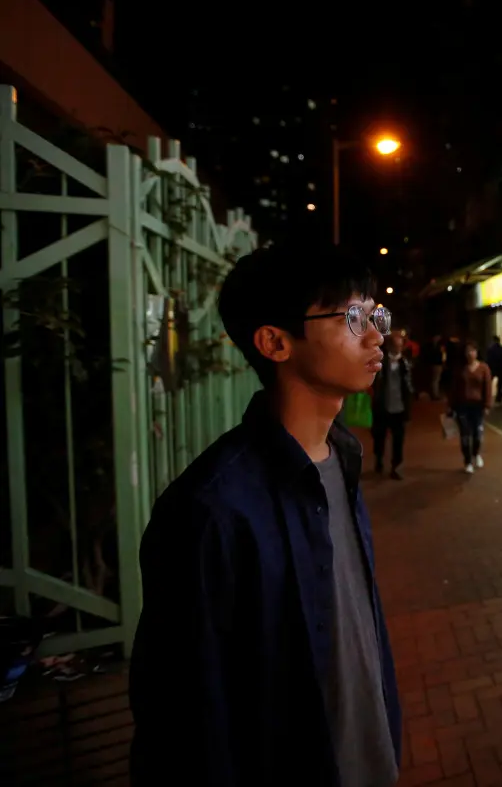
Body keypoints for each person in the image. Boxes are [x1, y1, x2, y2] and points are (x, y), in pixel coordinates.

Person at [128, 243, 401, 787]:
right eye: (352, 317)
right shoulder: (210, 508)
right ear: (275, 342)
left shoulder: (343, 458)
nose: (376, 334)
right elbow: (183, 720)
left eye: (376, 315)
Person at [372, 330, 413, 479]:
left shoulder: (405, 363)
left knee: (398, 439)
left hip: (399, 407)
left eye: (400, 346)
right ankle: (379, 459)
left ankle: (396, 466)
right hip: (382, 406)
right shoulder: (381, 362)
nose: (398, 349)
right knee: (379, 437)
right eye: (395, 346)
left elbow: (409, 386)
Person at [448, 341, 492, 474]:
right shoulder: (460, 369)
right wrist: (450, 406)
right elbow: (454, 388)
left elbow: (488, 388)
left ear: (477, 352)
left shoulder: (484, 368)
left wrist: (487, 405)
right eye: (467, 351)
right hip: (462, 405)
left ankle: (476, 454)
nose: (470, 353)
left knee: (477, 434)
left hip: (477, 406)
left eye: (472, 350)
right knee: (465, 435)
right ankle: (467, 461)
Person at [486, 335, 502, 403]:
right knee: (500, 383)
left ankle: (488, 396)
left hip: (493, 368)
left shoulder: (490, 349)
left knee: (489, 382)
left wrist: (488, 367)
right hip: (501, 368)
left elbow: (488, 360)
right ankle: (499, 397)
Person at [428, 335, 445, 400]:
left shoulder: (434, 346)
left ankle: (434, 393)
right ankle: (435, 394)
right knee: (436, 380)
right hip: (437, 364)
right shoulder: (437, 347)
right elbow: (442, 355)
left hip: (436, 364)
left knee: (435, 380)